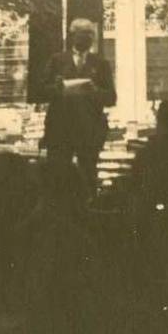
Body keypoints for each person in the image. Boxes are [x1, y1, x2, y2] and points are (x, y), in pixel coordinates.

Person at [41, 17, 116, 203]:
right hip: (60, 130)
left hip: (89, 131)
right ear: (72, 35)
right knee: (57, 177)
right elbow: (42, 91)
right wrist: (58, 88)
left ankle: (89, 212)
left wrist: (95, 91)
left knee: (88, 176)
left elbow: (111, 98)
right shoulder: (57, 61)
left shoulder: (100, 64)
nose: (89, 38)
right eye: (85, 34)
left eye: (92, 34)